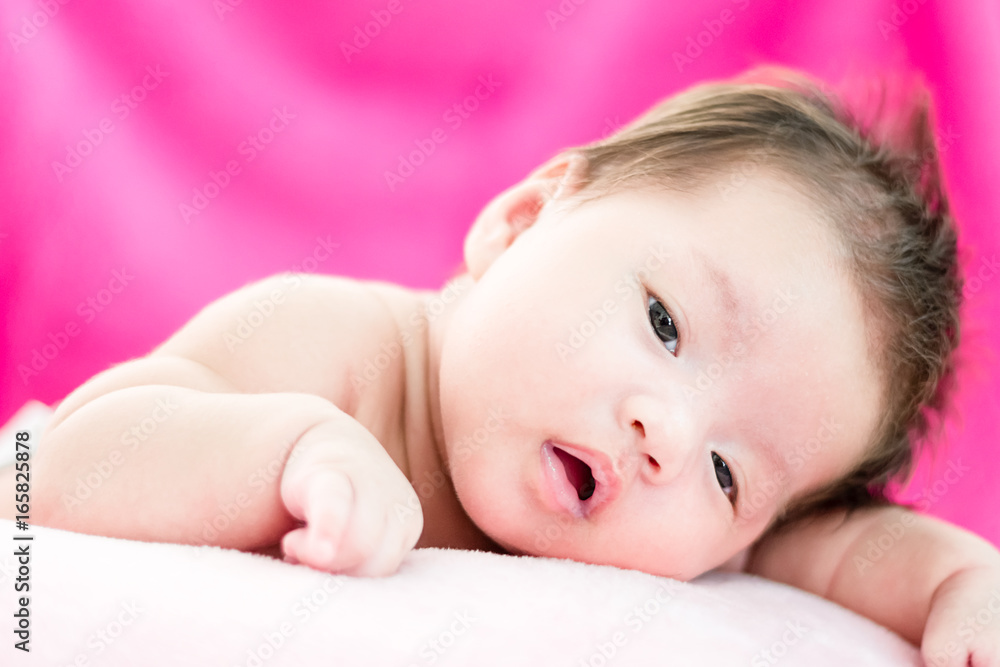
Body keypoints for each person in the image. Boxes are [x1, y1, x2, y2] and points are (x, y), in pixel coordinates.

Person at [28, 68, 1000, 664]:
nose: (667, 433)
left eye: (728, 470)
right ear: (523, 221)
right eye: (663, 323)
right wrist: (290, 451)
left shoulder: (686, 532)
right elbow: (66, 469)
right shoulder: (330, 343)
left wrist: (963, 581)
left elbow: (844, 548)